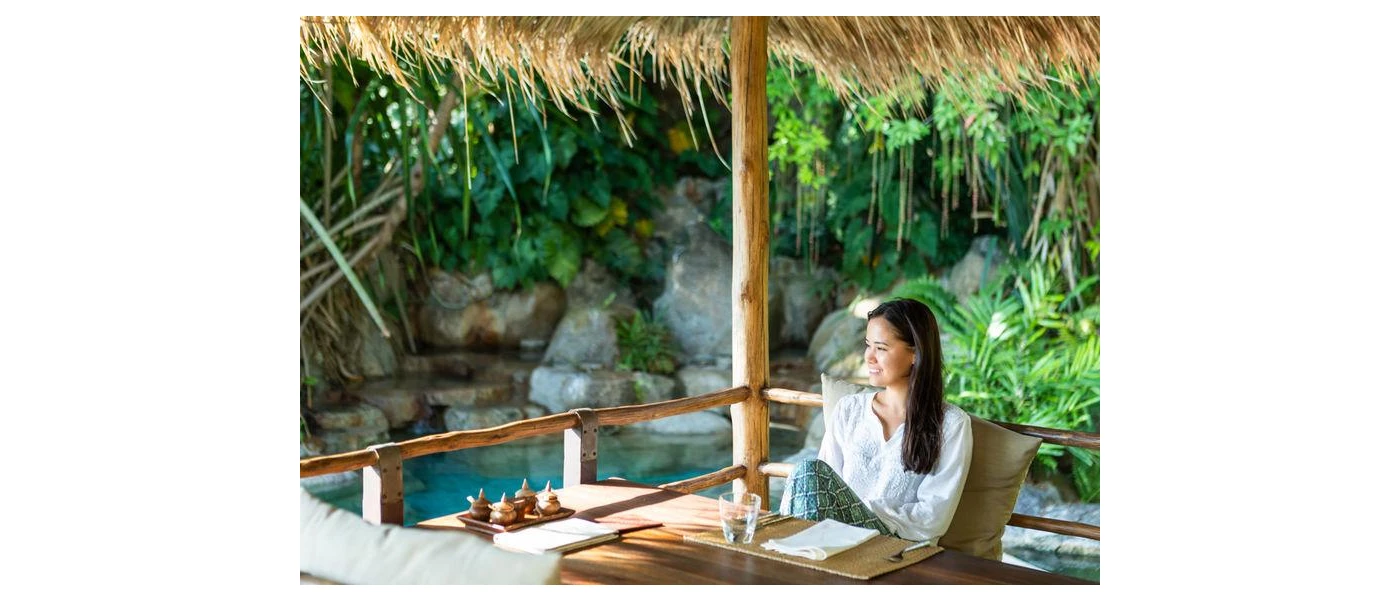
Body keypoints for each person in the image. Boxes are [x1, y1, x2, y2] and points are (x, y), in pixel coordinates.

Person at [779, 298, 973, 543]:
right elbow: (821, 490)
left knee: (808, 471)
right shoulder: (849, 410)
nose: (869, 357)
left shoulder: (951, 425)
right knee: (806, 472)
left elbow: (933, 517)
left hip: (893, 544)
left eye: (881, 348)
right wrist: (842, 516)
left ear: (915, 353)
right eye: (868, 345)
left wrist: (855, 511)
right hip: (833, 537)